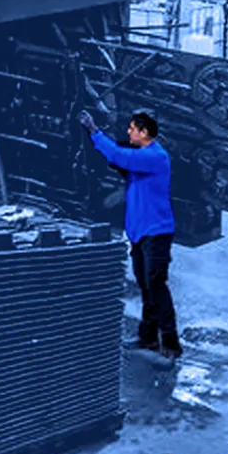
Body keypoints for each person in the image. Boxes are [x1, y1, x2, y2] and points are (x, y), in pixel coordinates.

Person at [79, 109, 180, 358]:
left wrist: (94, 130)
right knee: (147, 287)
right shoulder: (142, 156)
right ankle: (147, 338)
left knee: (157, 287)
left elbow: (117, 155)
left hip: (156, 232)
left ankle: (171, 343)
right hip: (139, 232)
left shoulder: (155, 157)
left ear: (144, 133)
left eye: (132, 128)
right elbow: (117, 157)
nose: (128, 131)